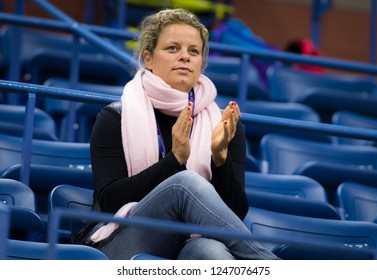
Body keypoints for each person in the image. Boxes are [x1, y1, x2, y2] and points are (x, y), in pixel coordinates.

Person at [76, 8, 279, 260]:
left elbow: (234, 214)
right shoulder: (115, 117)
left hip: (188, 242)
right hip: (120, 244)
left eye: (193, 51)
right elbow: (109, 202)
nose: (185, 56)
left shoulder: (224, 125)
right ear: (148, 59)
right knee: (185, 182)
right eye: (173, 48)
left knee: (211, 251)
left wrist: (219, 160)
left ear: (201, 64)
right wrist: (174, 162)